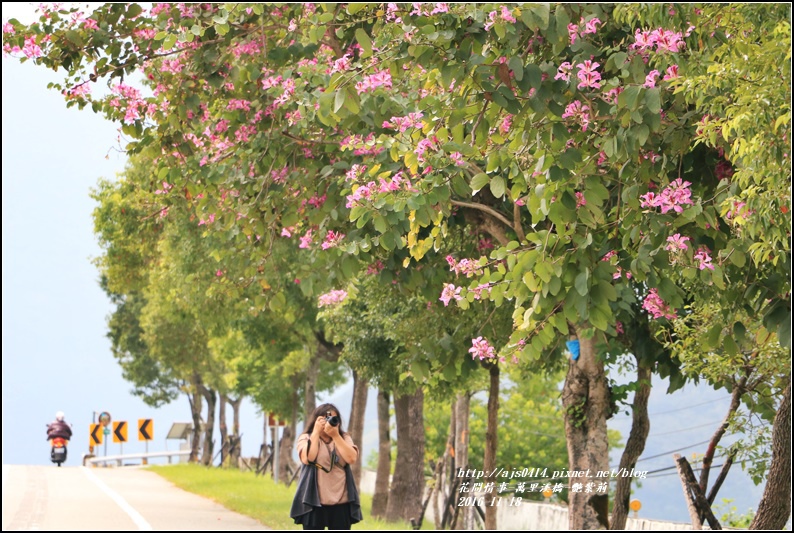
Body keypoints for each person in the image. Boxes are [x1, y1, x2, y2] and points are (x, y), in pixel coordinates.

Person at [290, 403, 362, 530]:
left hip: (341, 501)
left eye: (334, 419)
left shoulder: (344, 437)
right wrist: (316, 432)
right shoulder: (306, 438)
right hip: (314, 501)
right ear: (316, 420)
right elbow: (308, 458)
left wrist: (335, 436)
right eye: (325, 419)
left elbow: (352, 458)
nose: (330, 422)